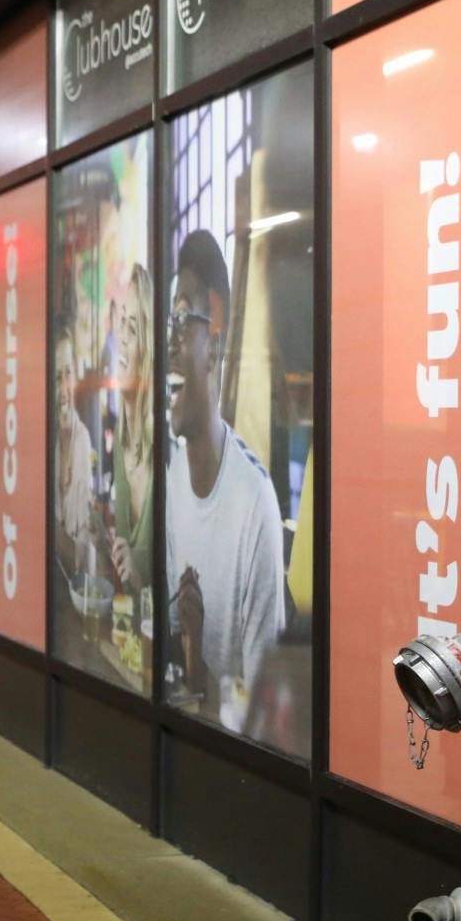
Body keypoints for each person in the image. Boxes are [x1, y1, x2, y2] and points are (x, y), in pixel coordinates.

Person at [165, 230, 285, 731]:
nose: (168, 342)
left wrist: (199, 668)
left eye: (182, 320)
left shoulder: (255, 504)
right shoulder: (173, 474)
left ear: (213, 345)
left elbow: (265, 714)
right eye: (168, 323)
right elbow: (174, 640)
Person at [105, 264, 155, 597]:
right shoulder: (120, 441)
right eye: (122, 321)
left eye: (133, 328)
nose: (121, 337)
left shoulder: (166, 455)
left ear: (147, 354)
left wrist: (139, 580)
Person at [53, 332, 98, 577]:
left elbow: (83, 553)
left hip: (75, 586)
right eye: (56, 377)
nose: (63, 389)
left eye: (68, 374)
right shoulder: (39, 441)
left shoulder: (82, 440)